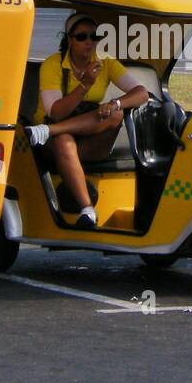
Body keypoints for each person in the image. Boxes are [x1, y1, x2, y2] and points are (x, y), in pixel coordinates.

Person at [23, 13, 149, 228]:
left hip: (91, 138)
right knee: (63, 139)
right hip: (56, 144)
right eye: (82, 37)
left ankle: (49, 131)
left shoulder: (105, 62)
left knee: (115, 114)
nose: (89, 42)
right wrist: (85, 85)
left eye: (94, 36)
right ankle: (87, 209)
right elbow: (56, 112)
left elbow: (141, 94)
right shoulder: (53, 65)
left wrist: (115, 103)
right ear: (69, 40)